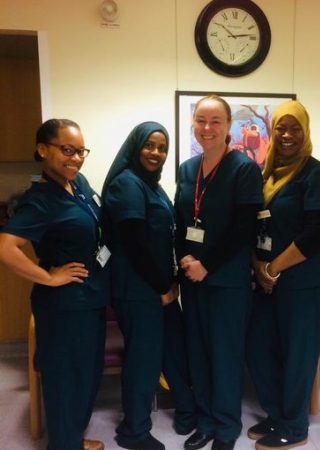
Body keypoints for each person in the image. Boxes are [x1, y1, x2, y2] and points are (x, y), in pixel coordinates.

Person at [0, 119, 110, 450]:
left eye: (81, 151)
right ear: (43, 150)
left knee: (86, 375)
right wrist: (49, 277)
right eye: (67, 150)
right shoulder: (40, 200)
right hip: (64, 307)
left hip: (90, 298)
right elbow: (6, 248)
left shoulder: (78, 184)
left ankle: (72, 438)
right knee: (66, 380)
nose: (76, 158)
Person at [245, 100, 320, 450]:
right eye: (280, 128)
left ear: (305, 131)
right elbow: (254, 225)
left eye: (295, 128)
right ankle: (277, 412)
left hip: (303, 280)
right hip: (266, 280)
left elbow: (316, 233)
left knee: (298, 353)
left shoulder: (316, 174)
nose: (287, 135)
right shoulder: (266, 172)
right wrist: (258, 265)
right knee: (257, 346)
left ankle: (295, 426)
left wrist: (273, 268)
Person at [175, 95, 263, 450]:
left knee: (225, 355)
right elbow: (181, 221)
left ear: (229, 126)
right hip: (192, 279)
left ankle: (226, 427)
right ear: (193, 124)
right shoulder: (187, 169)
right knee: (198, 352)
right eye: (201, 120)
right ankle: (205, 421)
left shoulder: (244, 169)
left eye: (215, 121)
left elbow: (244, 229)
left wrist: (207, 265)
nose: (207, 128)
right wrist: (184, 258)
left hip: (227, 281)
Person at [102, 122, 196, 450]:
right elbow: (135, 245)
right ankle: (135, 430)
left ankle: (187, 411)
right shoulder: (127, 184)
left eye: (162, 147)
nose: (156, 153)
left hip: (159, 286)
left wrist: (171, 281)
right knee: (144, 360)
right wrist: (162, 287)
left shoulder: (151, 185)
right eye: (149, 145)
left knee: (175, 349)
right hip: (139, 290)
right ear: (136, 147)